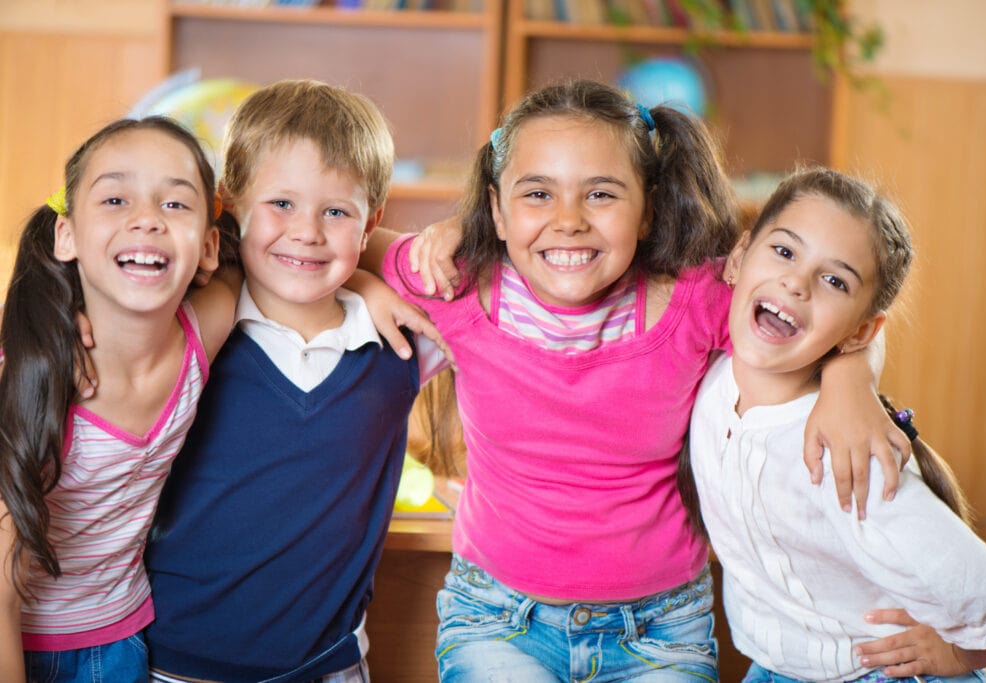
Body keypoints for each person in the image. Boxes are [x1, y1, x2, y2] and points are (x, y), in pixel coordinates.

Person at [361, 78, 909, 681]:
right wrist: (372, 279)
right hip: (496, 619)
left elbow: (827, 319)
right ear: (496, 208)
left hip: (661, 629)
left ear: (648, 210)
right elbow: (341, 243)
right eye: (537, 193)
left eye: (601, 194)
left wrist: (851, 383)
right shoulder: (457, 283)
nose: (568, 221)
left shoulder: (697, 297)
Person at [143, 79, 447, 683]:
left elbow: (493, 278)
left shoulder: (403, 340)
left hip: (327, 666)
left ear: (371, 224)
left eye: (336, 212)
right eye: (281, 204)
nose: (307, 231)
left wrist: (383, 269)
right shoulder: (192, 328)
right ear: (229, 206)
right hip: (171, 666)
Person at [687, 167, 986, 683]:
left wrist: (962, 656)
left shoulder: (842, 456)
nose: (796, 282)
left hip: (875, 671)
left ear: (860, 331)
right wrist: (853, 377)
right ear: (737, 257)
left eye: (834, 280)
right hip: (777, 666)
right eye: (784, 251)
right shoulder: (706, 371)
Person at [0, 116, 235, 682]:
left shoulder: (205, 327)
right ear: (66, 236)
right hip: (25, 650)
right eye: (114, 198)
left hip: (126, 640)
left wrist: (373, 284)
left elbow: (285, 239)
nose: (146, 219)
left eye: (175, 205)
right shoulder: (32, 381)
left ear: (209, 247)